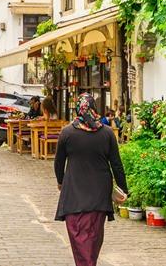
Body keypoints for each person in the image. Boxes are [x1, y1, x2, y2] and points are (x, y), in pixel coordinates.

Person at [54, 94, 128, 266]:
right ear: (94, 107)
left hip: (74, 193)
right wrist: (124, 188)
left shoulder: (67, 133)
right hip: (99, 195)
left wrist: (61, 181)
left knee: (78, 237)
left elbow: (59, 163)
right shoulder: (107, 133)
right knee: (94, 237)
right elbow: (116, 164)